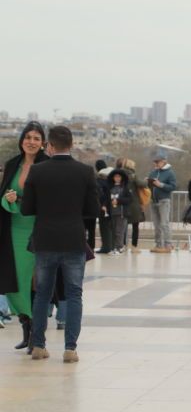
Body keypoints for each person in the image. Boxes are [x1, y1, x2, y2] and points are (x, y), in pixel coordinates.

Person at [21, 126, 100, 362]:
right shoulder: (85, 172)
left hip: (45, 239)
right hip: (73, 239)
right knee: (74, 294)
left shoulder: (37, 170)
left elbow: (27, 209)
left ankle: (38, 345)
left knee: (42, 294)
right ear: (72, 144)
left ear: (50, 146)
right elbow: (93, 210)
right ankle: (70, 348)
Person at [1, 121, 50, 351]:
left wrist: (20, 200)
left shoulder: (47, 166)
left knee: (33, 282)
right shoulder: (12, 164)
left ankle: (36, 334)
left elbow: (50, 199)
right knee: (13, 281)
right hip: (13, 228)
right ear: (22, 140)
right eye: (28, 137)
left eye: (36, 138)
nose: (31, 141)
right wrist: (8, 200)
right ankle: (26, 325)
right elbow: (3, 195)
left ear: (42, 144)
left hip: (38, 229)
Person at [148, 151, 177, 253]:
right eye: (155, 162)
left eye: (158, 161)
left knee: (164, 223)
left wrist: (161, 185)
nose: (156, 163)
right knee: (156, 224)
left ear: (164, 161)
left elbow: (173, 186)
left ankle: (168, 244)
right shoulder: (153, 172)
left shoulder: (170, 173)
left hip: (164, 201)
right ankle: (158, 244)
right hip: (153, 201)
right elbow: (149, 186)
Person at [116, 158, 146, 253]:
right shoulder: (133, 176)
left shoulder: (119, 175)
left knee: (123, 226)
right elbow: (142, 184)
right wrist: (146, 181)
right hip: (134, 204)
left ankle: (123, 245)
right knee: (135, 226)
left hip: (123, 203)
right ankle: (134, 246)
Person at [107, 169, 134, 254]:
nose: (117, 178)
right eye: (115, 177)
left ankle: (120, 247)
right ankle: (114, 248)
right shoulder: (111, 187)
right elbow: (107, 199)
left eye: (119, 177)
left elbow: (130, 199)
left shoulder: (125, 188)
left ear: (122, 178)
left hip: (122, 213)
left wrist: (118, 201)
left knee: (119, 231)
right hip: (112, 212)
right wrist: (104, 205)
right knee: (114, 231)